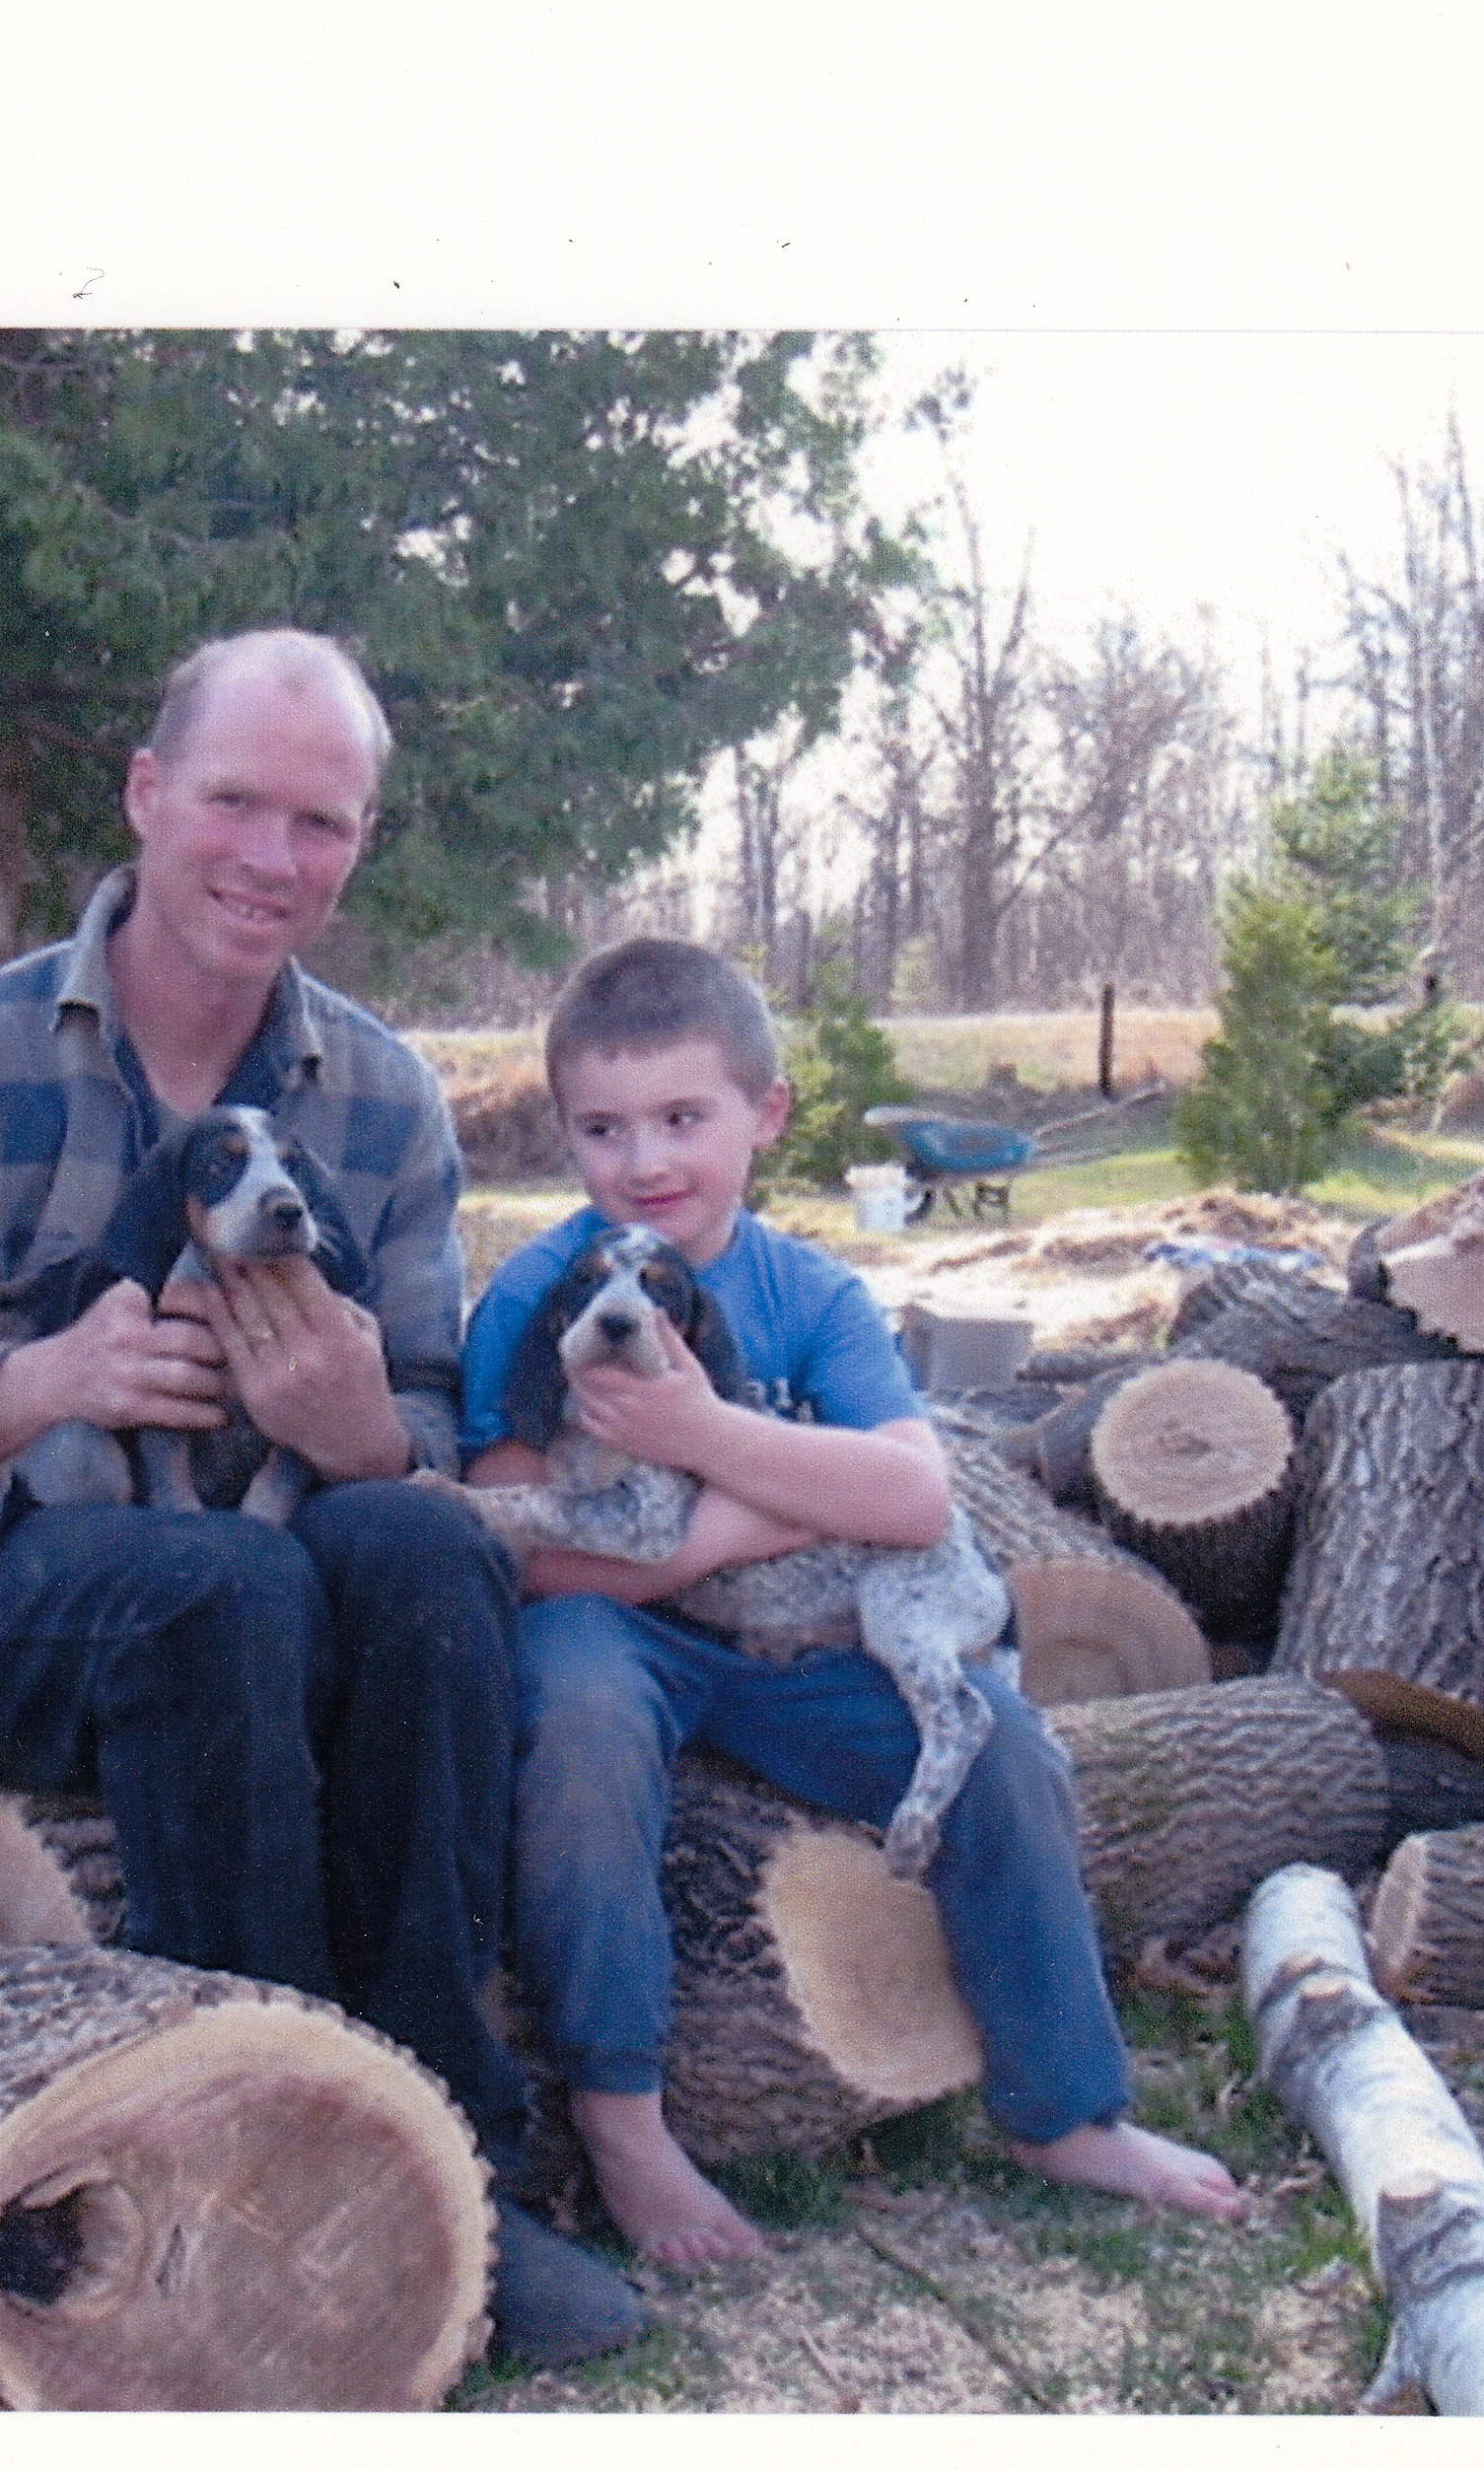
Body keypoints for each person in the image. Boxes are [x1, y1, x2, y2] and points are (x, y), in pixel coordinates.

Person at [0, 629, 641, 2365]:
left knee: (417, 1546)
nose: (270, 857)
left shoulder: (380, 1100)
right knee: (217, 1591)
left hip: (273, 1562)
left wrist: (364, 1430)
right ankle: (260, 2168)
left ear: (358, 844)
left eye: (321, 823)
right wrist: (34, 1384)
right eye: (235, 802)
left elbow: (438, 1420)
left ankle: (455, 2161)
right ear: (148, 794)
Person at [459, 938, 1248, 2265]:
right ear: (564, 1134)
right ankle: (622, 2121)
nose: (644, 1160)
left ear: (765, 1114)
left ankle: (1065, 2110)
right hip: (615, 1628)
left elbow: (916, 1500)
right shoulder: (542, 1296)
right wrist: (749, 1519)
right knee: (579, 1720)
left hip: (797, 1644)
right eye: (603, 1129)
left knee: (1001, 1747)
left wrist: (701, 1435)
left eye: (682, 1118)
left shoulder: (812, 1294)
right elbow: (514, 1541)